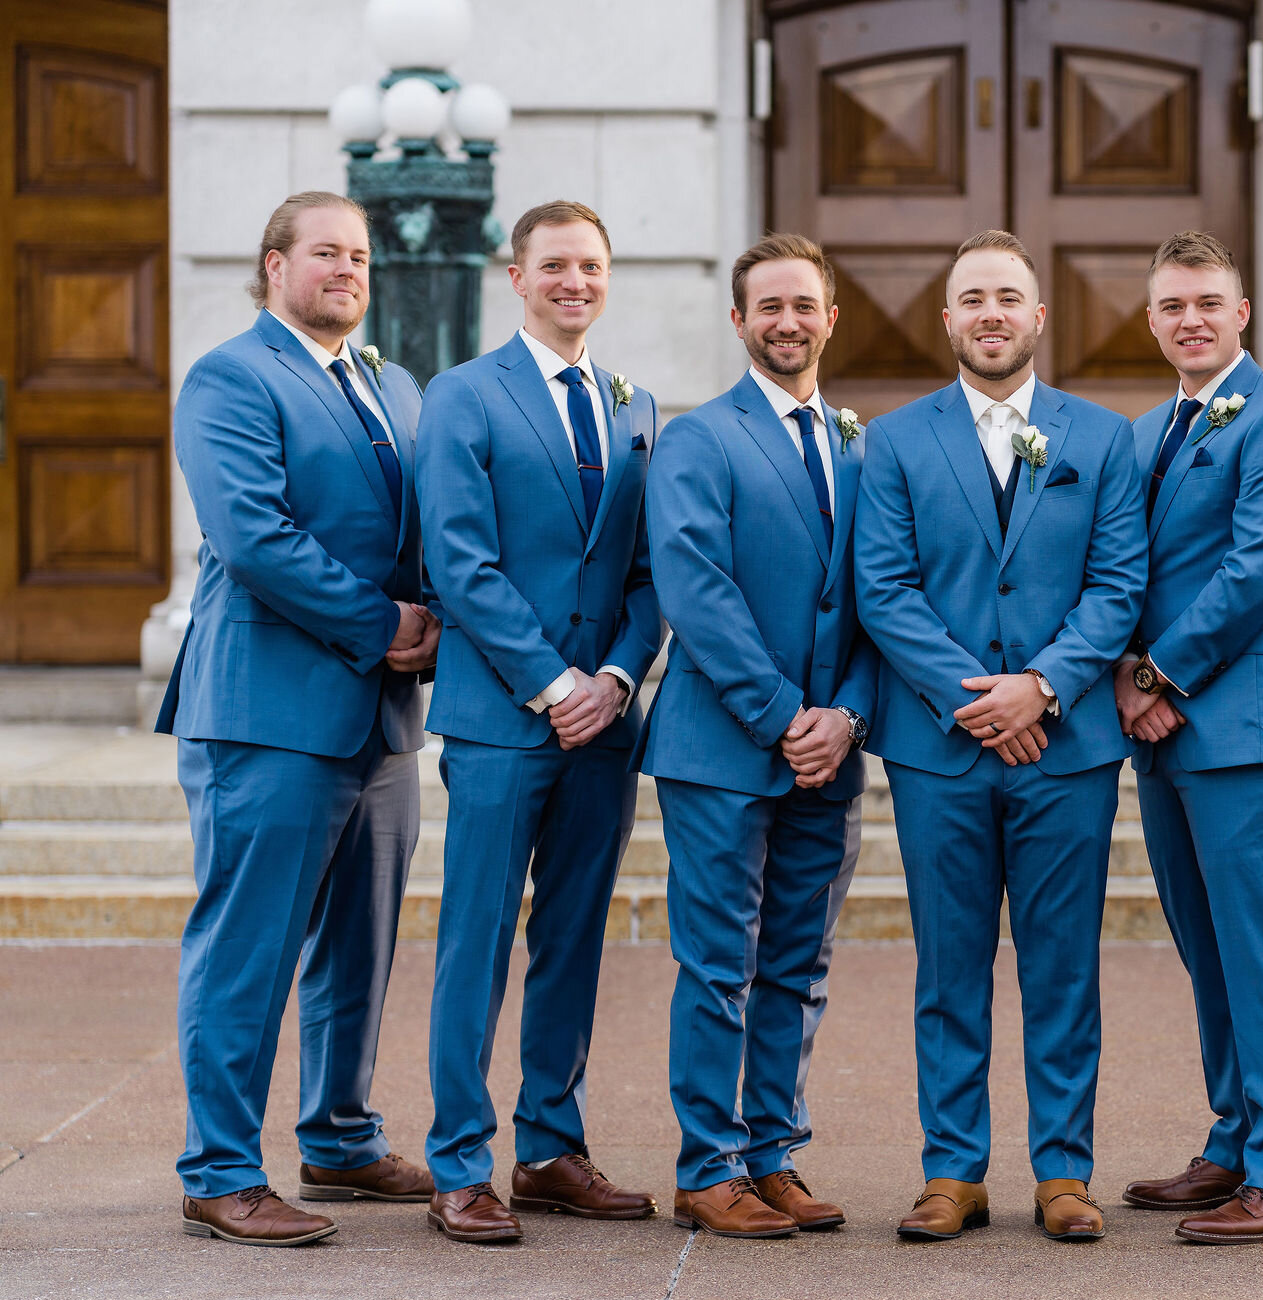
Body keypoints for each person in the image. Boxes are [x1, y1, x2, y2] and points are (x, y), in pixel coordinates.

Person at [854, 229, 1147, 1243]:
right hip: (940, 749)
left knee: (1062, 963)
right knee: (948, 961)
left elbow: (1118, 587)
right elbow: (881, 590)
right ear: (947, 320)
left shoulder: (1103, 439)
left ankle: (1063, 1170)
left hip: (1065, 749)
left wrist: (1044, 687)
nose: (989, 312)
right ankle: (952, 1169)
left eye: (1006, 296)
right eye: (970, 297)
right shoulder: (890, 442)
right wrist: (975, 702)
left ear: (1036, 316)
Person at [160, 190, 437, 1246]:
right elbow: (255, 535)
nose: (348, 271)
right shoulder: (232, 377)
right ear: (274, 267)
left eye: (360, 255)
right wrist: (382, 622)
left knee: (358, 946)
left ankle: (340, 1136)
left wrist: (441, 616)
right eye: (326, 253)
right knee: (248, 947)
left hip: (380, 718)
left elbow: (429, 523)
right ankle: (220, 1169)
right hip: (266, 712)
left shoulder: (390, 383)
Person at [413, 201, 663, 1243]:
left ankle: (551, 1147)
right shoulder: (462, 396)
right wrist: (552, 686)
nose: (575, 281)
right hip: (502, 719)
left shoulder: (635, 402)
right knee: (475, 939)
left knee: (572, 939)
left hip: (603, 725)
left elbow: (651, 572)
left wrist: (611, 675)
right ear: (514, 277)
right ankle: (459, 1164)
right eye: (555, 265)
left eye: (591, 265)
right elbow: (457, 561)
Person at [643, 233, 876, 1238]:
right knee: (717, 962)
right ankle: (708, 1166)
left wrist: (849, 715)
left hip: (831, 753)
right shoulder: (699, 439)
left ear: (831, 316)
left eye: (803, 305)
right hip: (722, 751)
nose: (787, 322)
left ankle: (773, 1152)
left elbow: (882, 598)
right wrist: (786, 718)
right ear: (738, 322)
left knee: (798, 961)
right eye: (766, 307)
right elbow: (697, 592)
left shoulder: (859, 447)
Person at [1116, 231, 1263, 1245]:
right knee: (1205, 951)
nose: (1189, 319)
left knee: (1256, 951)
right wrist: (1125, 676)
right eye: (1170, 306)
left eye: (1206, 301)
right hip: (1160, 731)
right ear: (1152, 319)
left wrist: (1157, 673)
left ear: (1240, 311)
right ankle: (1235, 1135)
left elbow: (1261, 566)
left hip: (1243, 729)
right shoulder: (1145, 430)